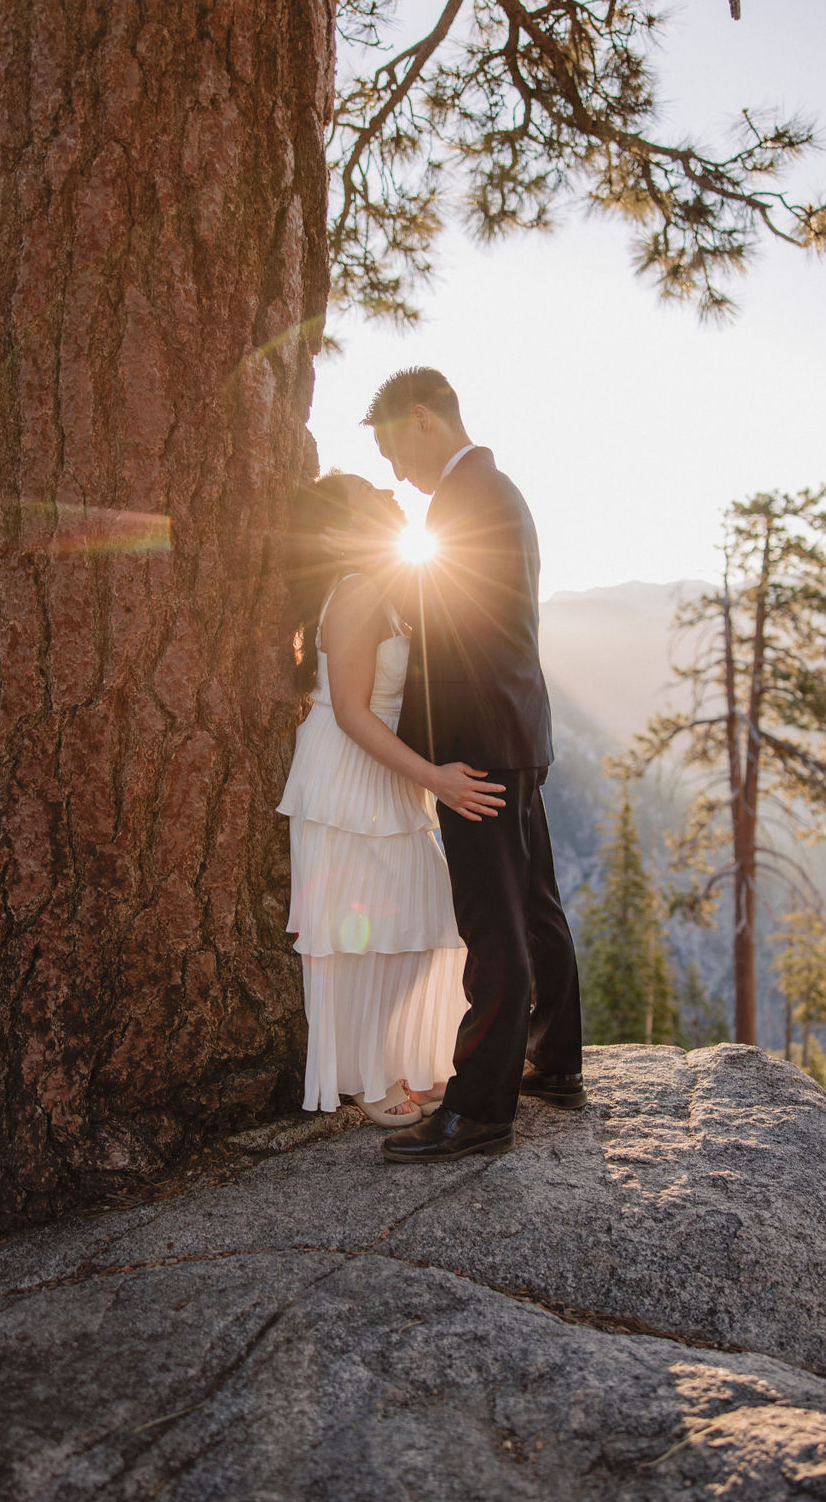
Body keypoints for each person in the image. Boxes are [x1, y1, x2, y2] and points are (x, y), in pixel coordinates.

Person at [353, 367, 586, 1163]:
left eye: (390, 446)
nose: (394, 471)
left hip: (478, 740)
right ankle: (554, 1061)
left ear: (422, 418)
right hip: (516, 727)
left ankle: (480, 1108)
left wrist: (426, 754)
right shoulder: (496, 488)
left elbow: (465, 636)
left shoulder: (467, 499)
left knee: (493, 925)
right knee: (534, 902)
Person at [277, 471, 506, 1126]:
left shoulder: (387, 585)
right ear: (332, 532)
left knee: (422, 915)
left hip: (383, 770)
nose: (386, 499)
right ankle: (367, 1076)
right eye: (367, 500)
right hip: (348, 772)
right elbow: (350, 710)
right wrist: (436, 777)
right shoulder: (354, 592)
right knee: (359, 926)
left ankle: (408, 1055)